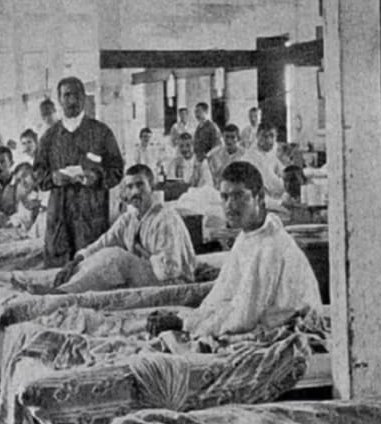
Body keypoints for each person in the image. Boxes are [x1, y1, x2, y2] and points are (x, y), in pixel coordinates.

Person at [147, 161, 322, 339]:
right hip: (259, 323)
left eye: (238, 196)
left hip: (289, 332)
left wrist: (184, 325)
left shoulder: (271, 246)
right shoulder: (248, 236)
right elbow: (222, 294)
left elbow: (243, 319)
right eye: (224, 197)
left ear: (260, 196)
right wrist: (186, 319)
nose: (230, 205)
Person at [51, 164, 196, 293]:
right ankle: (63, 286)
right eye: (130, 187)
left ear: (152, 187)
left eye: (140, 185)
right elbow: (102, 244)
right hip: (152, 275)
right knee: (102, 255)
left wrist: (143, 256)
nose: (134, 192)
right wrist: (74, 262)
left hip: (173, 283)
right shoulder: (129, 218)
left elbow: (170, 270)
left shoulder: (165, 218)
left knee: (118, 258)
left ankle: (63, 292)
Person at [34, 76, 124, 267]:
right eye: (67, 95)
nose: (72, 100)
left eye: (77, 95)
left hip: (91, 217)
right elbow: (38, 175)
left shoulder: (101, 133)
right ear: (59, 100)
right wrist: (53, 178)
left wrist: (97, 177)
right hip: (59, 218)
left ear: (84, 97)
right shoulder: (49, 138)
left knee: (92, 271)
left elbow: (116, 170)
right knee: (58, 274)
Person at [240, 122, 285, 200]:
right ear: (257, 136)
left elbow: (283, 173)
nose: (268, 140)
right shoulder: (248, 157)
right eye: (264, 136)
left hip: (278, 196)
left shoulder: (274, 153)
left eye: (272, 135)